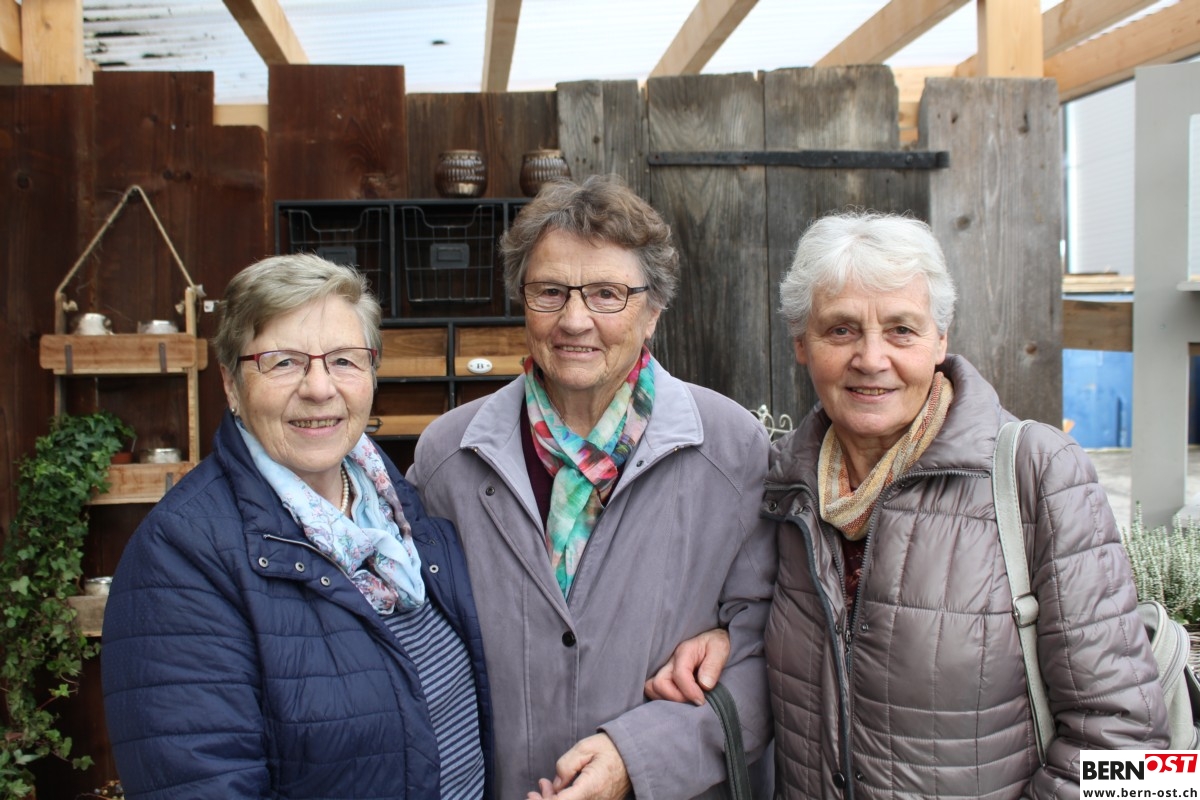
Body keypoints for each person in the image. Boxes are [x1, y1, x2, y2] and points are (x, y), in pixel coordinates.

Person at [754, 210, 1167, 797]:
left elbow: (1133, 754)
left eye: (902, 330)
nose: (871, 358)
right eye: (841, 330)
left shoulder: (1039, 473)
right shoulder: (781, 488)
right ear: (801, 343)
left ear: (940, 340)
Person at [406, 174, 777, 799]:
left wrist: (637, 759)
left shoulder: (732, 450)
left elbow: (769, 660)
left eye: (608, 294)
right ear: (522, 302)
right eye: (550, 292)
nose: (575, 320)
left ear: (653, 310)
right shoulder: (448, 457)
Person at [101, 254, 493, 799]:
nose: (319, 388)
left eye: (344, 360)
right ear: (232, 385)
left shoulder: (401, 508)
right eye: (283, 362)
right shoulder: (179, 558)